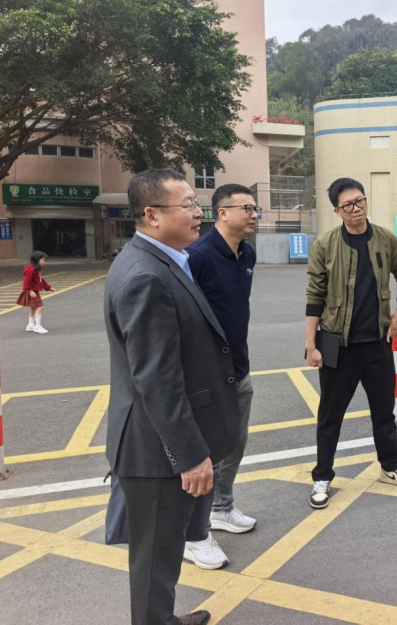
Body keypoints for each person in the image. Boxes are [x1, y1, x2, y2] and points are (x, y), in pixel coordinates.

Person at [104, 168, 241, 625]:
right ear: (152, 215)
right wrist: (190, 456)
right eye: (188, 205)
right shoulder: (146, 276)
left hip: (157, 441)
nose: (199, 212)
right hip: (157, 451)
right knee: (155, 561)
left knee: (160, 554)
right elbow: (157, 379)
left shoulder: (161, 261)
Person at [305, 177, 397, 509]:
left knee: (384, 412)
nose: (356, 208)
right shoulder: (325, 245)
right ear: (337, 211)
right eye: (348, 205)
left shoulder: (384, 238)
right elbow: (314, 296)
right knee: (330, 416)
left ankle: (391, 466)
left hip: (377, 342)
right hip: (335, 343)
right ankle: (322, 476)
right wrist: (311, 345)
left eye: (360, 201)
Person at [183, 184, 259, 570]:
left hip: (238, 369)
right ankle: (193, 535)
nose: (254, 214)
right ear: (222, 212)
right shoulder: (196, 256)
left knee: (235, 443)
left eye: (255, 208)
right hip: (206, 376)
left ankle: (222, 508)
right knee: (205, 456)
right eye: (247, 208)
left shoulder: (248, 253)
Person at [17, 251, 54, 333]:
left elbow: (40, 280)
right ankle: (37, 326)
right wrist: (30, 290)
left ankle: (30, 325)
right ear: (37, 259)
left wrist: (48, 288)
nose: (44, 262)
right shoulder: (31, 269)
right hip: (32, 291)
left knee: (33, 308)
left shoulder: (36, 269)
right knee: (40, 307)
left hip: (33, 291)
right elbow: (27, 281)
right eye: (43, 260)